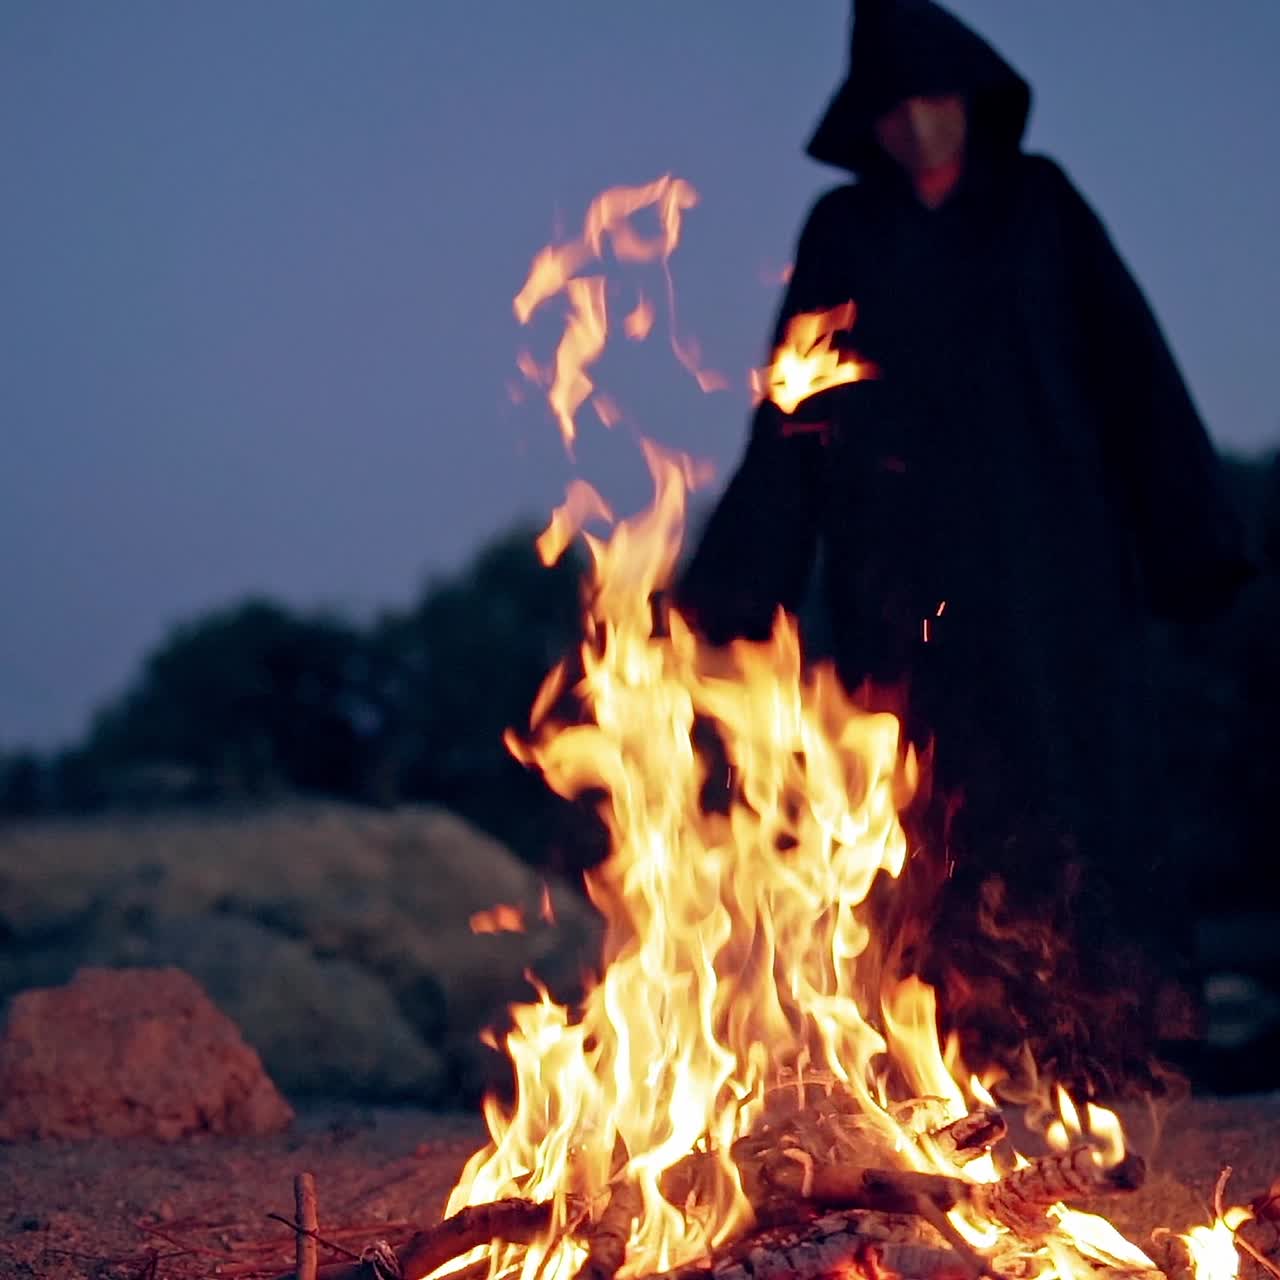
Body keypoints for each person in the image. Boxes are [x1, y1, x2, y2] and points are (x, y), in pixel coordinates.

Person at [676, 0, 1251, 1087]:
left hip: (1050, 555)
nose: (916, 124)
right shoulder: (842, 231)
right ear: (869, 122)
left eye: (931, 97)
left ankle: (1111, 1038)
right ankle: (949, 1044)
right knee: (920, 790)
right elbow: (792, 409)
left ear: (971, 99)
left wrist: (1189, 538)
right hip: (897, 568)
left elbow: (1131, 368)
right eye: (891, 106)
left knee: (1072, 767)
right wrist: (730, 591)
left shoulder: (1040, 209)